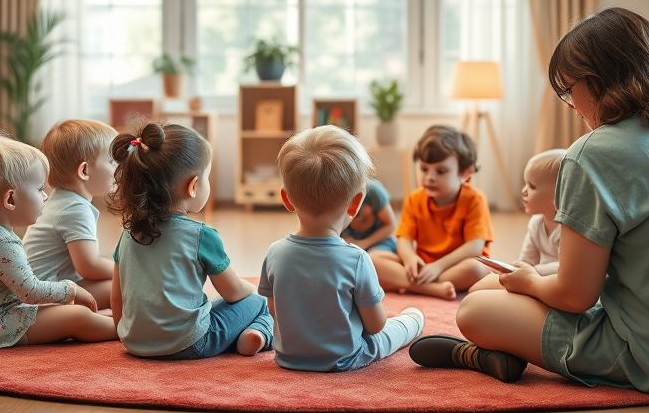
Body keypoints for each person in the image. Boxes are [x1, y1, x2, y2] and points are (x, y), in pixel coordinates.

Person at [410, 7, 649, 397]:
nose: (570, 105)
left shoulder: (592, 153)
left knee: (475, 307)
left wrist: (532, 281)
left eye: (569, 90)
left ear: (598, 80)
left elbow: (575, 295)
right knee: (491, 287)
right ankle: (501, 346)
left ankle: (479, 355)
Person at [259, 125, 424, 372]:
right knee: (395, 329)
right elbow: (376, 325)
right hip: (347, 358)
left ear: (286, 199)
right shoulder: (357, 259)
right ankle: (415, 320)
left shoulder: (275, 252)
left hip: (287, 357)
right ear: (356, 203)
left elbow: (275, 311)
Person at [0, 129, 117, 348]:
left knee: (68, 310)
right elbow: (30, 292)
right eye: (39, 189)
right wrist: (71, 289)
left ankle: (109, 318)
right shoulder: (2, 243)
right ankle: (128, 329)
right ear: (10, 199)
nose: (46, 195)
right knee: (77, 317)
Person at [108, 121, 274, 359]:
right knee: (258, 302)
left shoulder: (127, 233)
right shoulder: (202, 235)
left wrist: (126, 333)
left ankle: (249, 333)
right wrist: (251, 289)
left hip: (134, 343)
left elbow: (117, 295)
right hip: (190, 343)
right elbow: (233, 293)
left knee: (213, 306)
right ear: (193, 186)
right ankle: (259, 334)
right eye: (208, 176)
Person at [371, 125, 492, 300]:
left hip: (454, 266)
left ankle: (410, 284)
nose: (430, 177)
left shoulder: (475, 199)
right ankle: (432, 289)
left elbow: (475, 247)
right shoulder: (414, 199)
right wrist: (410, 258)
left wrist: (438, 266)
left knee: (476, 269)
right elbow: (404, 240)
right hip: (423, 265)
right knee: (373, 259)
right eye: (423, 169)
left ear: (465, 173)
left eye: (440, 171)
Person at [25, 119, 118, 310]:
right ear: (84, 170)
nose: (118, 167)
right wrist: (127, 271)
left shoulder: (63, 200)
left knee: (116, 285)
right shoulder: (75, 209)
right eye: (111, 161)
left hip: (46, 288)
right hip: (45, 296)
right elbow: (89, 266)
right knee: (121, 288)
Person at [470, 148, 566, 292]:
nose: (524, 191)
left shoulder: (566, 229)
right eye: (525, 184)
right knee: (477, 289)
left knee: (481, 293)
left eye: (532, 186)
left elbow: (563, 268)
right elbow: (526, 260)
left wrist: (530, 271)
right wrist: (512, 268)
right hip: (533, 279)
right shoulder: (536, 223)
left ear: (558, 196)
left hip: (551, 287)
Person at [341, 178, 398, 255]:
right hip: (351, 244)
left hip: (380, 243)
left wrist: (364, 243)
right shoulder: (338, 196)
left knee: (374, 257)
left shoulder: (374, 190)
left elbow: (391, 225)